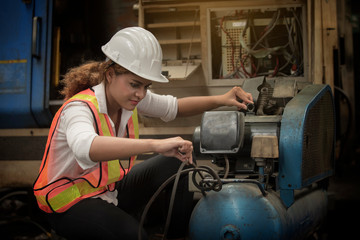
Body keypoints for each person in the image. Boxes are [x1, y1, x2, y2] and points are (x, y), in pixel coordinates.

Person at [33, 27, 253, 240]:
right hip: (67, 202)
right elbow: (85, 147)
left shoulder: (127, 96)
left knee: (177, 162)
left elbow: (173, 107)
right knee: (134, 236)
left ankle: (177, 235)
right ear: (110, 75)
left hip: (106, 190)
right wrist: (155, 145)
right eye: (135, 85)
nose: (141, 94)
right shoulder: (79, 108)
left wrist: (222, 99)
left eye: (146, 86)